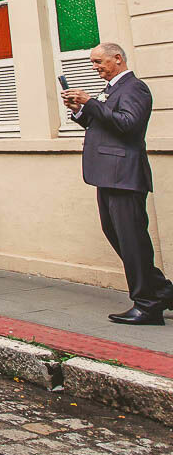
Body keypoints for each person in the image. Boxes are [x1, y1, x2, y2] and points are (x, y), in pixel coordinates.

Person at [61, 41, 171, 325]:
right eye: (93, 63)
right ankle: (162, 291)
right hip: (107, 174)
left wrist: (90, 102)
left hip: (125, 176)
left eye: (99, 62)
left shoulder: (135, 88)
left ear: (117, 59)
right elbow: (101, 123)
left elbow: (127, 124)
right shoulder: (109, 90)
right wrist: (79, 111)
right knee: (118, 235)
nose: (95, 68)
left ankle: (147, 305)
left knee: (133, 240)